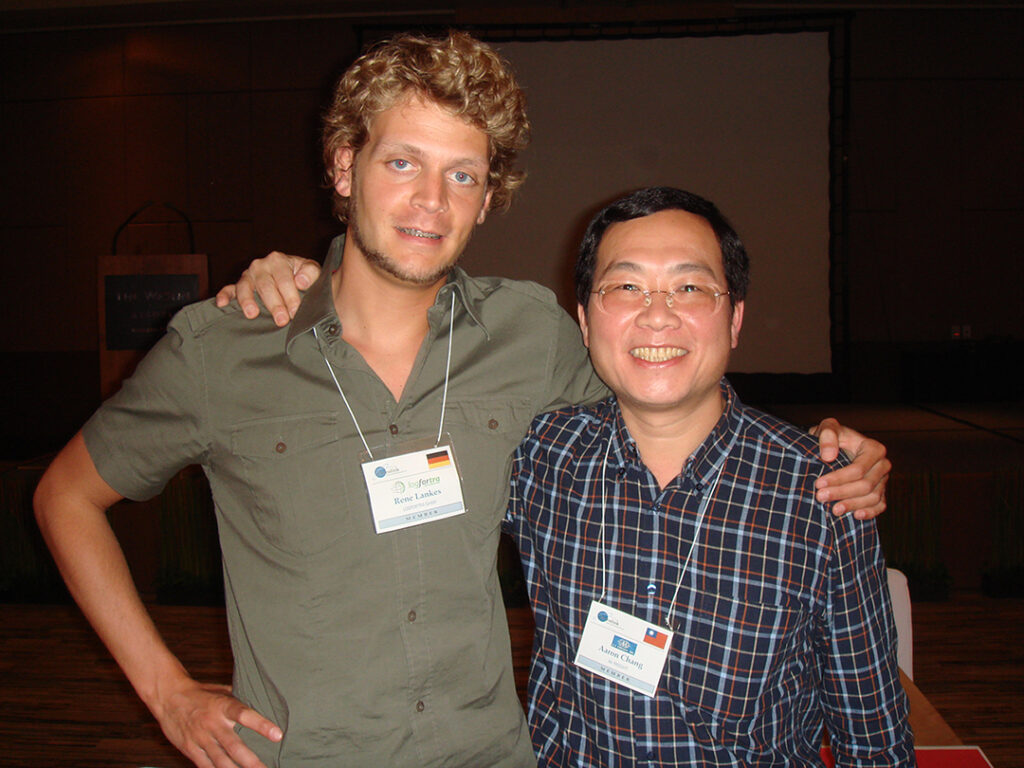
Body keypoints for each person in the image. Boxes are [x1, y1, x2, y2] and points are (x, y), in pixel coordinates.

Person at [34, 31, 889, 768]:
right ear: (345, 165)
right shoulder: (223, 347)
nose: (429, 202)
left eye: (463, 175)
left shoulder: (530, 333)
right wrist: (168, 691)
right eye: (402, 162)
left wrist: (827, 451)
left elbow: (665, 388)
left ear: (487, 199)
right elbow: (65, 498)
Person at [506, 186, 913, 765]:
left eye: (690, 288)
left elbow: (873, 739)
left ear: (735, 318)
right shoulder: (538, 458)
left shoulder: (819, 493)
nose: (658, 315)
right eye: (626, 287)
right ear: (585, 321)